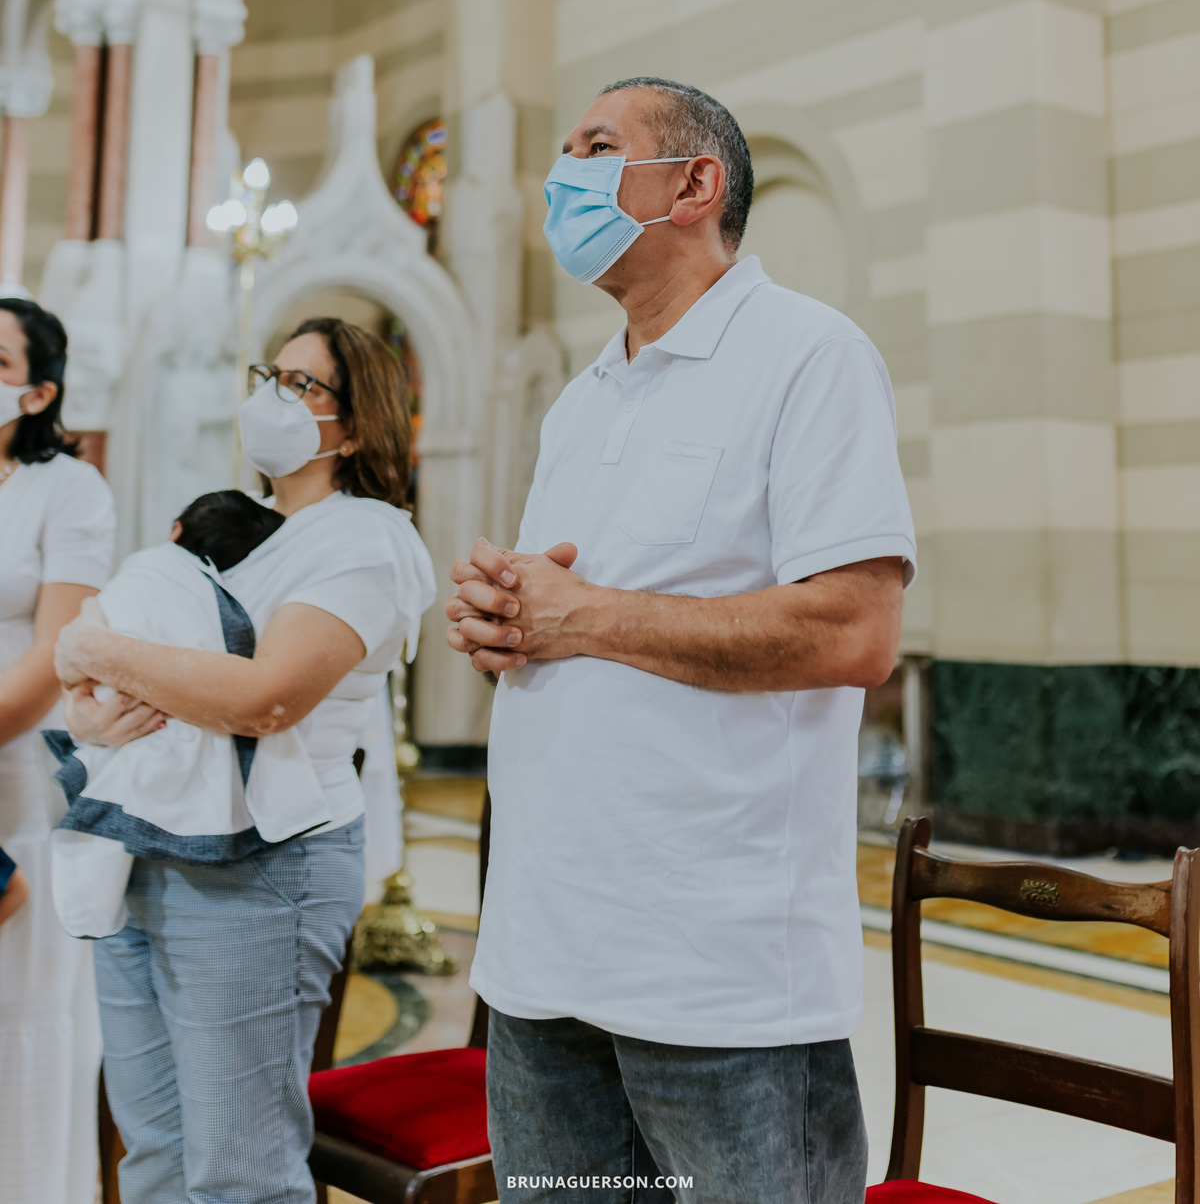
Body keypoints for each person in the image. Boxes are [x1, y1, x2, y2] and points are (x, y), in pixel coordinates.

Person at [446, 79, 916, 1204]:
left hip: (719, 980)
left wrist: (581, 615)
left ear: (697, 184)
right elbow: (569, 624)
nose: (563, 176)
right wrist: (505, 623)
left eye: (597, 147)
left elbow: (857, 628)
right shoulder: (583, 400)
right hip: (544, 961)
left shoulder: (810, 354)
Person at [55, 318, 437, 1204]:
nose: (275, 396)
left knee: (239, 1173)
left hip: (263, 868)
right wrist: (96, 692)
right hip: (143, 842)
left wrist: (93, 647)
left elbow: (264, 698)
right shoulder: (236, 529)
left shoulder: (365, 536)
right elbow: (125, 657)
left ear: (357, 425)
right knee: (150, 1152)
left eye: (305, 386)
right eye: (274, 374)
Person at [46, 489, 329, 941]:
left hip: (133, 710)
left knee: (119, 779)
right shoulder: (225, 596)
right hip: (181, 721)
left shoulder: (144, 567)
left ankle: (89, 903)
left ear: (176, 531)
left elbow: (80, 639)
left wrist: (85, 675)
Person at [0, 295, 117, 1204]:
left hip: (19, 779)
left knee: (19, 1025)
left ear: (37, 394)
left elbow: (56, 649)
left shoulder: (67, 489)